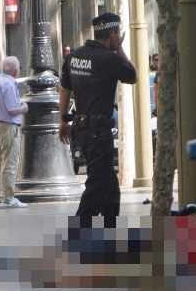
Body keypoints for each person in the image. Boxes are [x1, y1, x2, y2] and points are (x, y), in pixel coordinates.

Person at [58, 12, 137, 217]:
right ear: (113, 34)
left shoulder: (74, 56)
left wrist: (62, 121)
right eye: (118, 33)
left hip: (81, 128)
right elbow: (132, 75)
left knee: (111, 189)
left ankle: (110, 232)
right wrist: (119, 48)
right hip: (99, 132)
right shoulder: (110, 59)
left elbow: (65, 90)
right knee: (98, 186)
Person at [0, 55, 28, 208]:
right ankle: (8, 197)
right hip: (8, 127)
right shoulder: (9, 85)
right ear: (16, 71)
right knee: (10, 163)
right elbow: (12, 110)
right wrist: (23, 108)